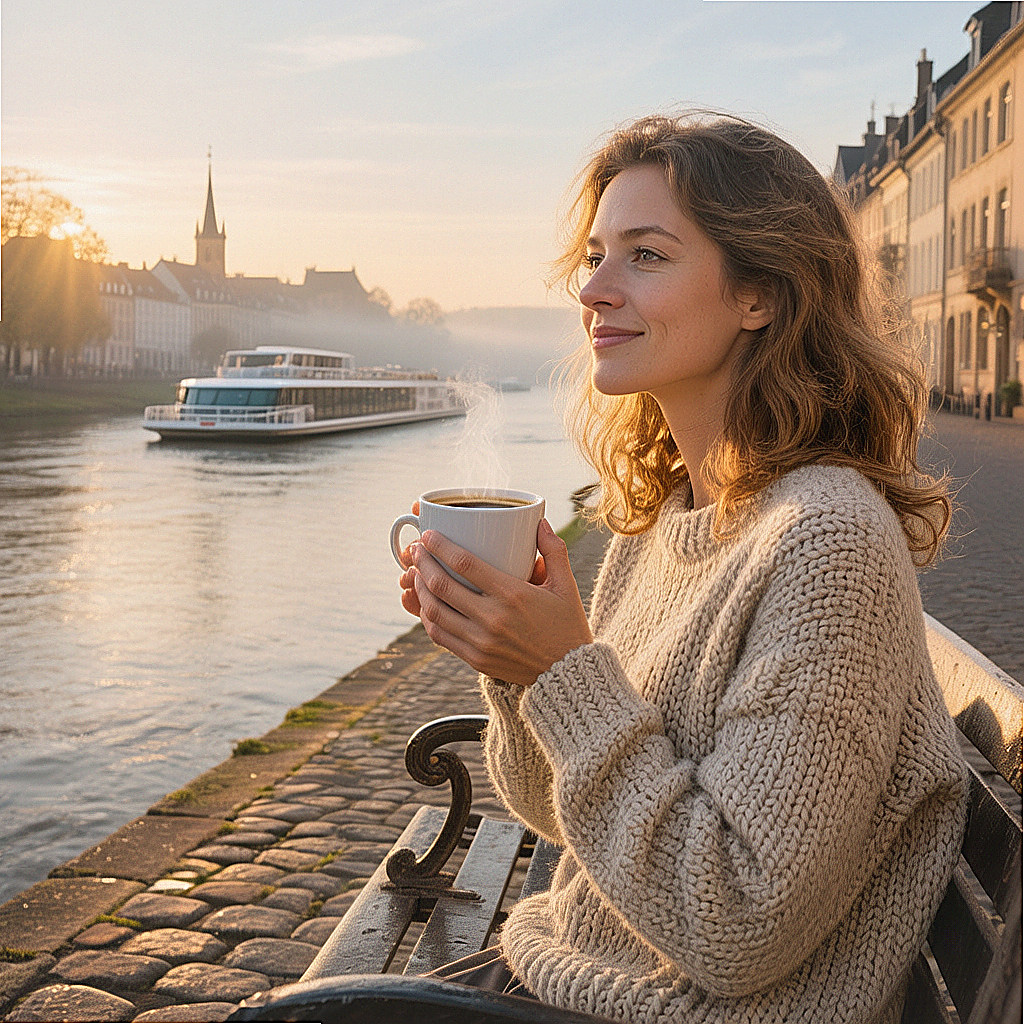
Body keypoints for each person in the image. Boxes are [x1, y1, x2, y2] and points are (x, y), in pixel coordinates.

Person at [397, 113, 968, 1024]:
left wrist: (562, 669)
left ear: (761, 295)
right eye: (595, 257)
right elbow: (553, 809)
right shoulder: (671, 519)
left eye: (647, 256)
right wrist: (516, 665)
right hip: (568, 981)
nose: (594, 290)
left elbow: (737, 922)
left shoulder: (828, 546)